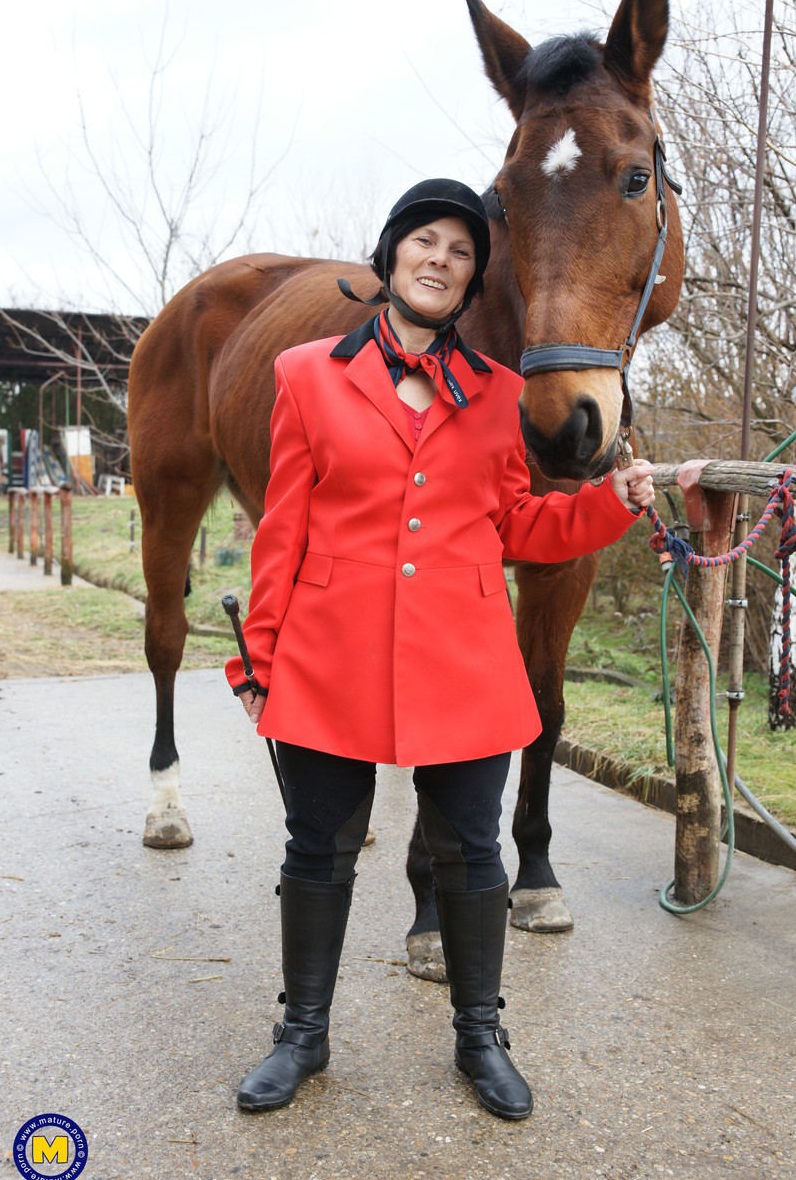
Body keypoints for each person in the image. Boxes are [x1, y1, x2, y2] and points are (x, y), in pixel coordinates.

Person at [225, 179, 654, 1121]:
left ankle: (478, 1037)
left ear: (471, 283)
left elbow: (518, 525)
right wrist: (258, 659)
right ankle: (302, 1033)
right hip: (327, 653)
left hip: (464, 657)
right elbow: (281, 532)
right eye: (424, 242)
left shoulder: (502, 397)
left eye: (460, 253)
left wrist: (613, 501)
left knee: (471, 851)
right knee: (317, 846)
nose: (440, 261)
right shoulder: (304, 374)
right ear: (391, 256)